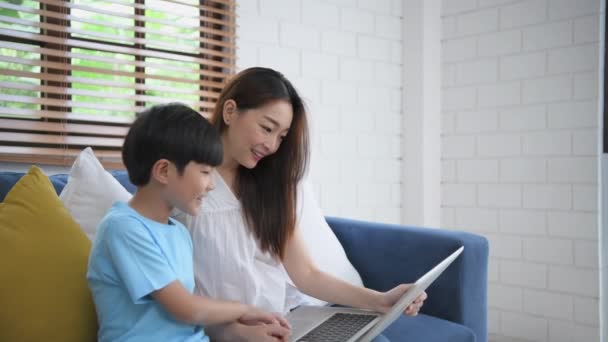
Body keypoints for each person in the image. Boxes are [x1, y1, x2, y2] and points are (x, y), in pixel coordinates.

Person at [175, 68, 427, 342]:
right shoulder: (184, 184)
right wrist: (230, 332)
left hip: (287, 323)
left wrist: (381, 300)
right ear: (230, 111)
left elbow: (306, 274)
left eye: (281, 136)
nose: (272, 145)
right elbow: (174, 297)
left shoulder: (269, 186)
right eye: (267, 128)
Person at [86, 103, 291, 342]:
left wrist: (240, 332)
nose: (212, 185)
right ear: (163, 171)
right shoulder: (123, 228)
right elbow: (186, 308)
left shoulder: (179, 233)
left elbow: (190, 320)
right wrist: (245, 309)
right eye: (205, 172)